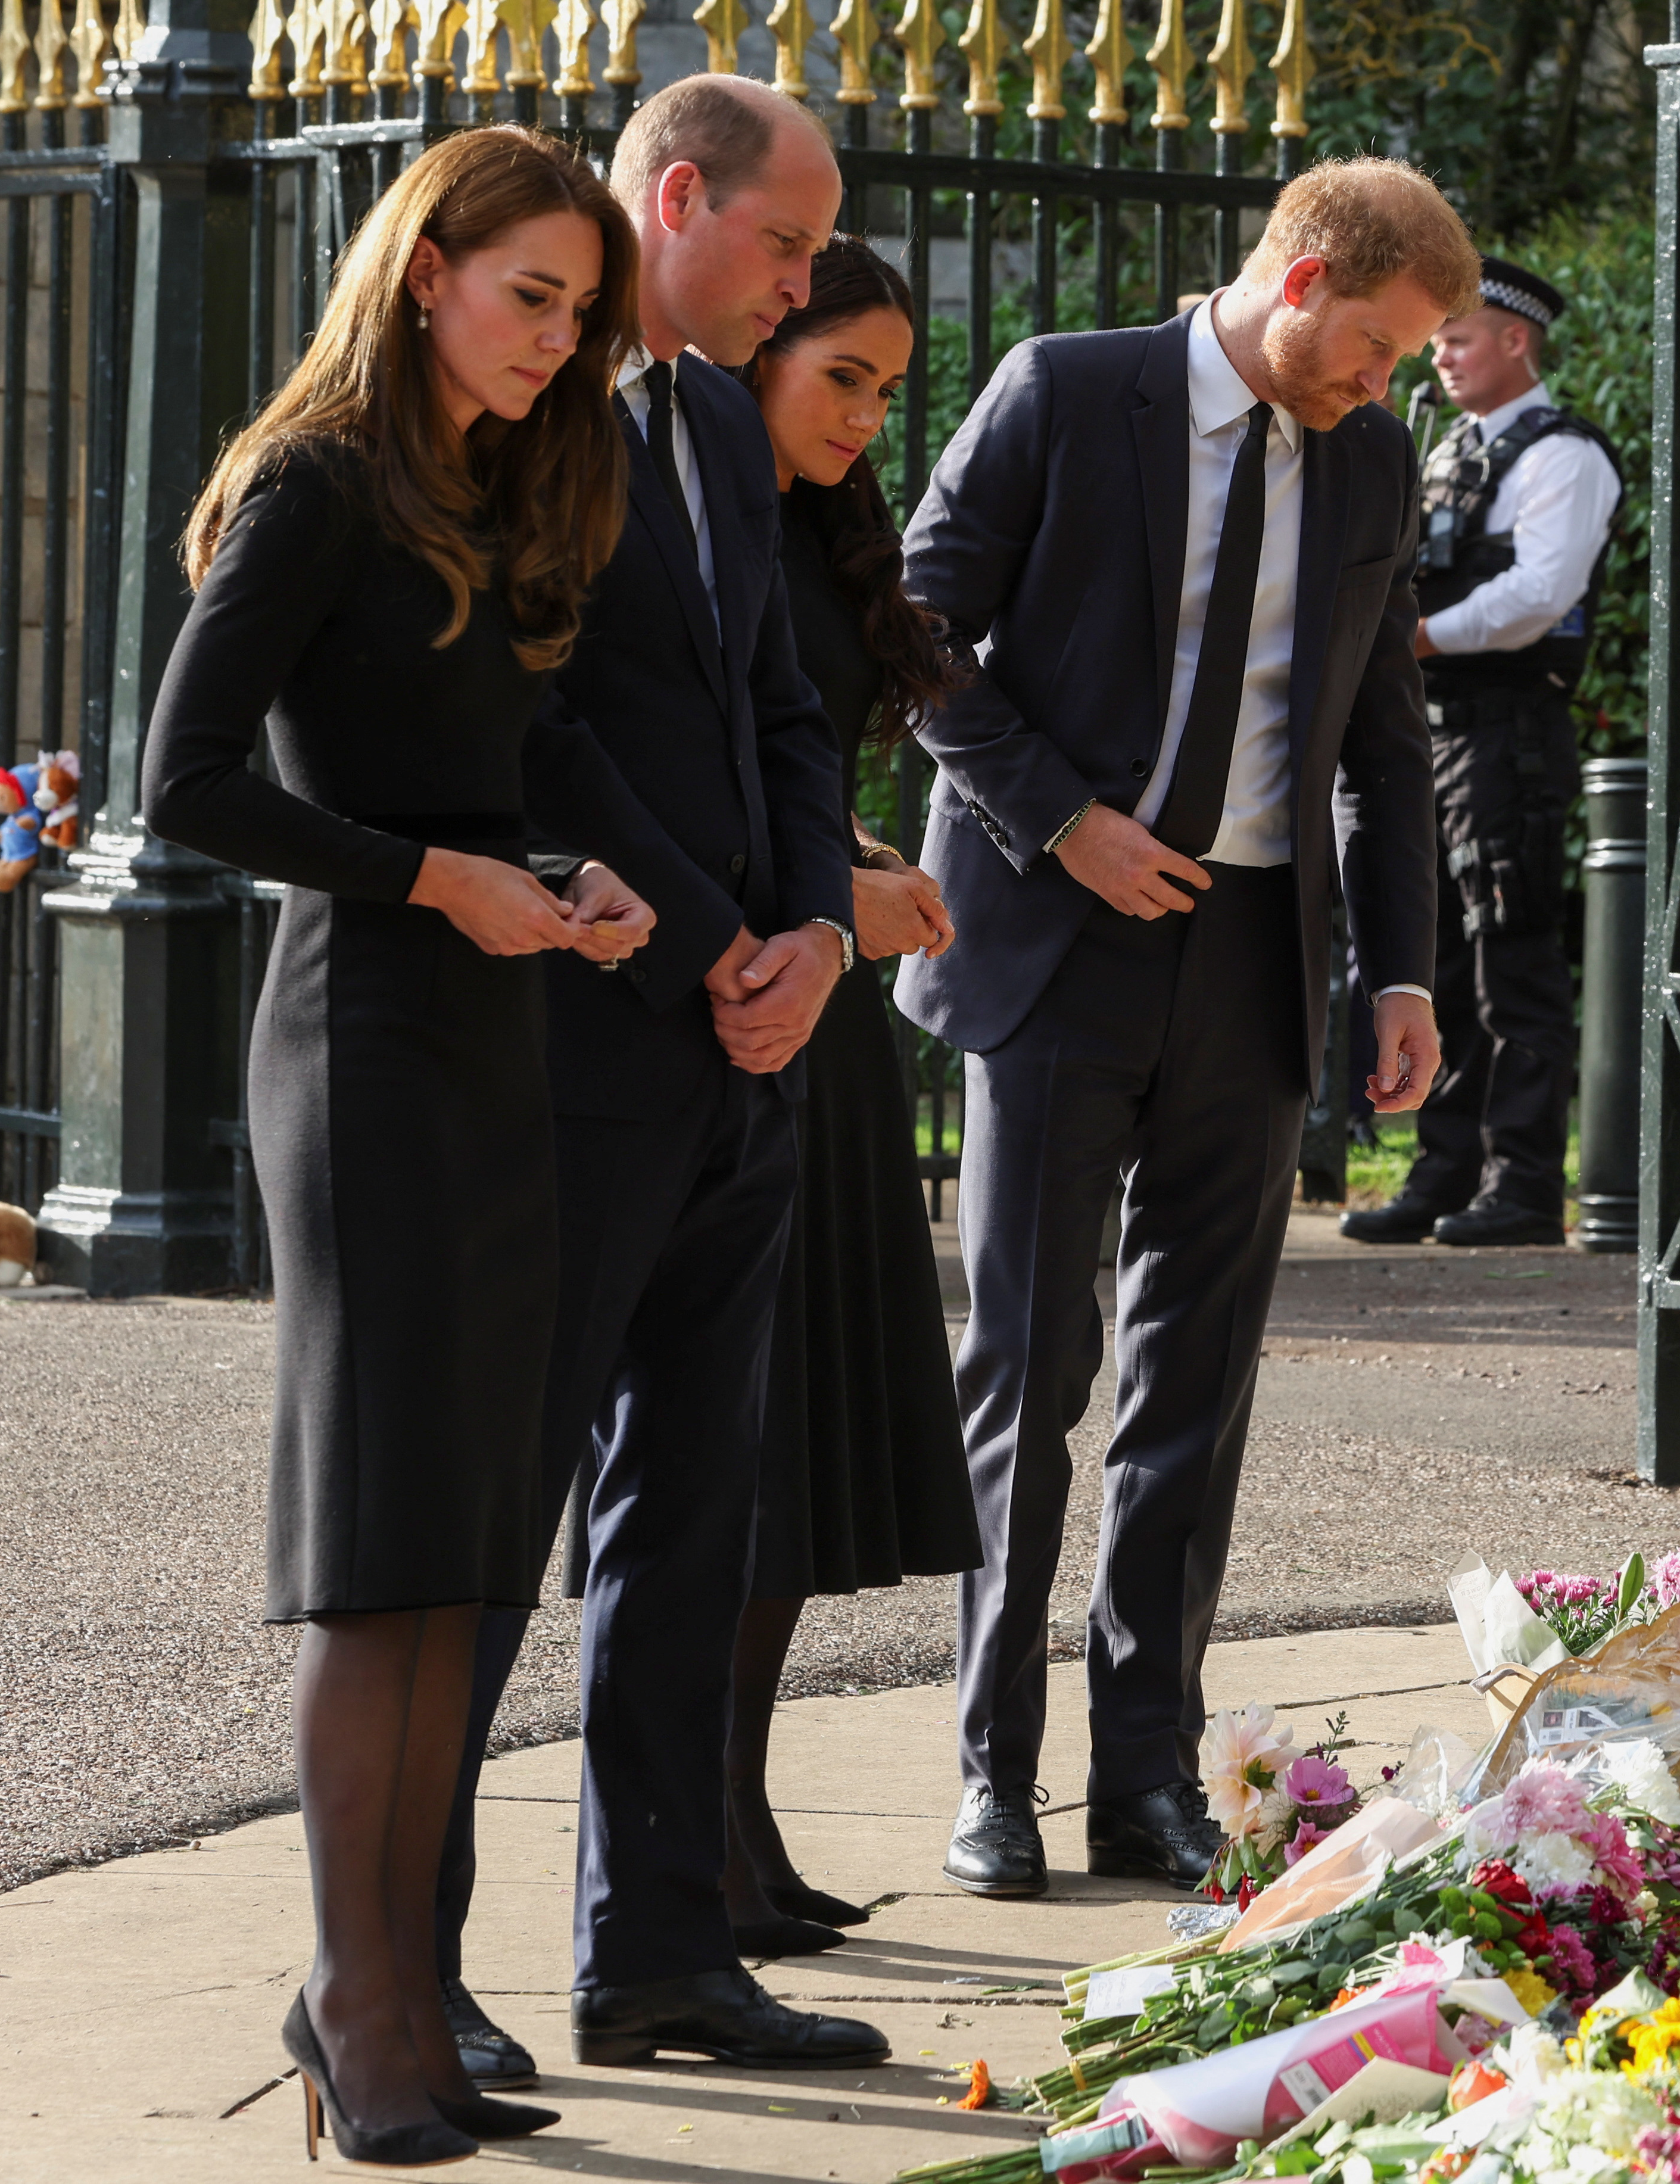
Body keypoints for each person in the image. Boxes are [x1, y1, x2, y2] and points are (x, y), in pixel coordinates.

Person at [139, 124, 669, 2163]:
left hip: (490, 1029)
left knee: (463, 1546)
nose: (555, 341)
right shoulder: (315, 483)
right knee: (381, 1557)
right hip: (361, 1044)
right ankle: (357, 1997)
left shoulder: (493, 487)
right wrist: (441, 878)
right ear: (427, 265)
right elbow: (190, 779)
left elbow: (497, 766)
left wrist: (564, 868)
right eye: (530, 294)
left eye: (579, 312)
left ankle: (393, 1986)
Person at [898, 159, 1472, 1898]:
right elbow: (913, 626)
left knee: (1194, 1384)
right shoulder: (1070, 391)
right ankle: (993, 1768)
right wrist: (1059, 816)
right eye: (1374, 347)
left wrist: (1404, 974)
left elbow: (1382, 735)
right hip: (1055, 938)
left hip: (1252, 963)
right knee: (1029, 1367)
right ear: (1299, 280)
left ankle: (1143, 1771)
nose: (1385, 388)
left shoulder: (1368, 458)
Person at [433, 74, 889, 2082]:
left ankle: (659, 1951)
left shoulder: (714, 415)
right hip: (583, 1045)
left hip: (748, 1048)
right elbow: (539, 723)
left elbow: (782, 702)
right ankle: (401, 1956)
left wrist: (816, 933)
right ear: (678, 195)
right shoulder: (537, 399)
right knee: (483, 1519)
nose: (800, 287)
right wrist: (721, 943)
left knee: (693, 1508)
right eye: (784, 246)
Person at [713, 236, 984, 1958]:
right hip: (735, 1019)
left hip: (826, 1026)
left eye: (888, 390)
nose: (869, 418)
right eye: (842, 378)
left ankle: (730, 1823)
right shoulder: (695, 516)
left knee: (794, 1473)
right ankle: (688, 1846)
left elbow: (785, 768)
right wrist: (826, 897)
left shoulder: (814, 525)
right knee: (726, 1473)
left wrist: (856, 871)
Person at [1340, 256, 1620, 1250]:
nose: (1442, 356)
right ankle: (1444, 1174)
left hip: (1509, 734)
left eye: (1460, 338)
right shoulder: (1446, 446)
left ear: (1517, 339)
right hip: (1434, 732)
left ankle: (1526, 1184)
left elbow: (1540, 595)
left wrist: (1410, 640)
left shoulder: (1562, 455)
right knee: (1438, 962)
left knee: (1515, 963)